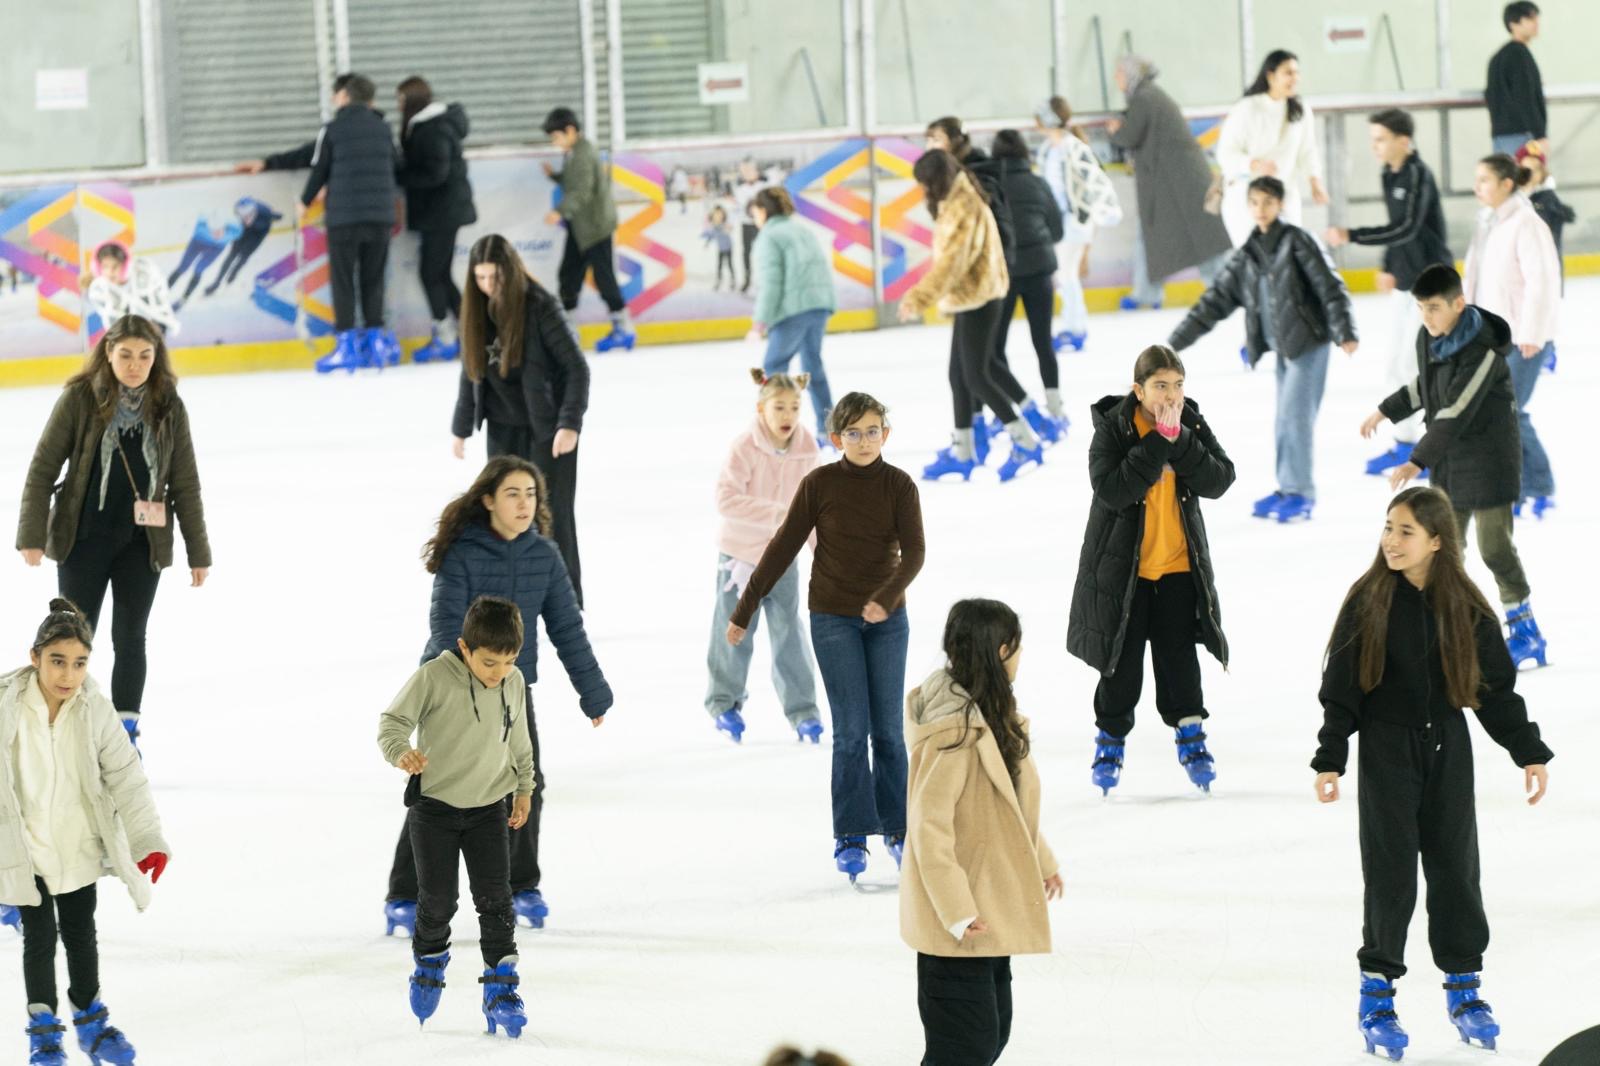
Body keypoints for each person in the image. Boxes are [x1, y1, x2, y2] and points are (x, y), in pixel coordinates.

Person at [1312, 486, 1551, 1060]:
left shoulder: (1464, 607)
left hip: (1448, 747)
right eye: (1388, 529)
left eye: (1406, 532)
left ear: (1437, 542)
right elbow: (1341, 687)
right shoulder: (1368, 600)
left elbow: (1493, 689)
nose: (1391, 541)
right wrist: (1331, 755)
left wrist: (1529, 750)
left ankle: (1465, 989)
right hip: (1388, 750)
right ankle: (1378, 994)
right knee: (1391, 873)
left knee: (1456, 868)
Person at [383, 458, 611, 939]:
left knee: (525, 782)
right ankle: (404, 893)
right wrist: (464, 679)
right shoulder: (463, 553)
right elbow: (445, 623)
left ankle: (522, 884)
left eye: (530, 493)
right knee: (437, 788)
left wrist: (592, 691)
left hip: (510, 685)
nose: (524, 502)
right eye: (512, 493)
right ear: (488, 499)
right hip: (450, 686)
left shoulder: (545, 555)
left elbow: (567, 627)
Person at [726, 393, 924, 883]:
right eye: (852, 433)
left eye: (872, 430)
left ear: (886, 434)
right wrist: (744, 609)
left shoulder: (899, 486)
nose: (863, 440)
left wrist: (886, 597)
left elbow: (916, 553)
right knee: (852, 731)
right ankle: (852, 833)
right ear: (836, 439)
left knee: (889, 733)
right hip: (833, 618)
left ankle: (897, 828)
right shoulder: (819, 484)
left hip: (888, 621)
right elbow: (781, 548)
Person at [16, 314, 212, 747]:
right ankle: (58, 726)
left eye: (145, 355)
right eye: (125, 355)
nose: (135, 364)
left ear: (156, 358)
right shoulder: (80, 398)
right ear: (108, 353)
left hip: (142, 546)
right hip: (82, 539)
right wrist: (31, 533)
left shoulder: (169, 405)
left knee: (130, 637)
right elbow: (43, 467)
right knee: (69, 636)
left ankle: (125, 734)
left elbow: (185, 483)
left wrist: (199, 552)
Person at [2, 599, 170, 1066]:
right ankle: (44, 1032)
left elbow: (126, 776)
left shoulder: (95, 709)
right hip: (26, 849)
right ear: (34, 657)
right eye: (57, 661)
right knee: (38, 940)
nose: (68, 675)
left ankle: (91, 1021)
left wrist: (146, 839)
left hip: (77, 845)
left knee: (81, 935)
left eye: (79, 663)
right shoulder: (4, 706)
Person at [1358, 264, 1548, 669]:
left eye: (1434, 308)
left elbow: (1456, 411)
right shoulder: (1429, 339)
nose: (1427, 317)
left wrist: (1416, 459)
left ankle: (1525, 630)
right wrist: (1384, 411)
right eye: (1422, 308)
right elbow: (1424, 388)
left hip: (1488, 461)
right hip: (1449, 461)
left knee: (1494, 547)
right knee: (1443, 549)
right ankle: (1444, 634)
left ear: (1458, 304)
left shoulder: (1484, 352)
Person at [901, 598, 1063, 1066]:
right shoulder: (953, 732)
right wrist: (954, 910)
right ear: (1003, 649)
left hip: (987, 908)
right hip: (960, 922)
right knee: (964, 1049)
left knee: (991, 1037)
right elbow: (929, 829)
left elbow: (1008, 808)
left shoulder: (993, 713)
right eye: (1018, 647)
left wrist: (1043, 862)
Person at [1067, 344, 1234, 796]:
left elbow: (1220, 479)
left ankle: (1191, 735)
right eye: (1161, 386)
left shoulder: (1190, 423)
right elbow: (1113, 490)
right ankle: (1110, 739)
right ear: (1138, 390)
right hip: (1124, 576)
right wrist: (1159, 440)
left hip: (1179, 569)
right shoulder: (1114, 429)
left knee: (1179, 660)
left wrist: (1179, 440)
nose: (1171, 396)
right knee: (1120, 667)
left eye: (1178, 386)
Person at [378, 595, 535, 1036]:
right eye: (489, 663)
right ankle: (429, 962)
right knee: (439, 901)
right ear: (465, 648)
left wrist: (524, 788)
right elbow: (391, 723)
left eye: (508, 662)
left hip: (489, 808)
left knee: (496, 901)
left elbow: (519, 740)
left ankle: (500, 989)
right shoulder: (433, 677)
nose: (498, 673)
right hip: (435, 811)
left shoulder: (514, 682)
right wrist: (402, 753)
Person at [1168, 176, 1358, 523]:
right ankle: (1288, 488)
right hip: (1283, 348)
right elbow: (1213, 302)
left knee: (1296, 419)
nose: (1261, 209)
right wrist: (1172, 346)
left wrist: (1345, 329)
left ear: (1281, 204)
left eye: (1268, 202)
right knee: (1284, 420)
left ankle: (1301, 493)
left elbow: (1331, 287)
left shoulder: (1299, 241)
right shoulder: (1249, 255)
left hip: (1309, 344)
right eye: (1254, 202)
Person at [452, 234, 590, 608]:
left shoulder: (540, 306)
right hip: (502, 429)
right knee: (501, 516)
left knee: (551, 518)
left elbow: (576, 368)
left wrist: (569, 424)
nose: (487, 286)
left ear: (510, 271)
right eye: (480, 278)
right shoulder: (477, 311)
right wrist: (461, 429)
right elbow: (472, 372)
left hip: (548, 431)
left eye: (494, 277)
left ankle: (567, 603)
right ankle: (507, 603)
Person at [241, 74, 403, 373]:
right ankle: (375, 343)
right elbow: (396, 166)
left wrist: (304, 201)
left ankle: (346, 346)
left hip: (345, 217)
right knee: (373, 278)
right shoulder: (383, 128)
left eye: (335, 94)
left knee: (343, 280)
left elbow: (319, 168)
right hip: (380, 216)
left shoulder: (333, 129)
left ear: (344, 96)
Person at [901, 150, 1045, 486]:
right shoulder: (956, 198)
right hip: (972, 295)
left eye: (924, 184)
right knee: (958, 375)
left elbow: (953, 263)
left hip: (979, 297)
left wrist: (918, 297)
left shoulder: (962, 206)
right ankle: (964, 451)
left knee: (977, 376)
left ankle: (1025, 442)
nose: (923, 191)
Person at [1325, 109, 1453, 476]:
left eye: (1380, 139)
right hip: (1406, 282)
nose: (1375, 147)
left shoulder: (1417, 175)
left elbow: (1407, 228)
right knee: (1395, 365)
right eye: (1373, 139)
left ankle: (1429, 451)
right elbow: (1398, 233)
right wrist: (1387, 265)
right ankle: (1405, 443)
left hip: (1431, 284)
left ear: (1403, 140)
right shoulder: (1389, 174)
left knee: (1417, 367)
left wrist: (1353, 236)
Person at [924, 117, 1056, 454]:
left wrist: (927, 292)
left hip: (986, 282)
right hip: (986, 280)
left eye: (936, 138)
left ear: (955, 140)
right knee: (977, 366)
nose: (930, 145)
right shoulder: (957, 177)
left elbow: (989, 233)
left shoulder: (974, 176)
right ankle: (980, 436)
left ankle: (1020, 432)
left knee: (978, 367)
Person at [705, 370, 823, 744]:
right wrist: (777, 515)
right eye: (779, 407)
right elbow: (725, 498)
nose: (788, 415)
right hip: (739, 557)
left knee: (789, 631)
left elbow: (814, 508)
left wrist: (824, 556)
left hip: (782, 558)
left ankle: (803, 711)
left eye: (795, 407)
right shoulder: (745, 447)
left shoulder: (808, 449)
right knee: (734, 629)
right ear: (761, 409)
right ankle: (724, 703)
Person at [1465, 153, 1560, 522]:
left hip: (1525, 337)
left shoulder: (1527, 223)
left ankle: (1534, 484)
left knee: (1509, 412)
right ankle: (1523, 484)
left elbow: (1542, 282)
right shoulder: (1487, 222)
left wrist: (1533, 332)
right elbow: (1474, 277)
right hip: (1493, 336)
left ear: (1507, 184)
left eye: (1485, 180)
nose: (1478, 187)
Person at [1107, 56, 1233, 310]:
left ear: (1133, 75)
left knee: (1202, 241)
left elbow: (1129, 135)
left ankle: (1223, 292)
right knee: (1156, 235)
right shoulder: (1149, 96)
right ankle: (1148, 292)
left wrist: (1114, 131)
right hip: (1175, 182)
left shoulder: (1144, 98)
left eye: (1120, 73)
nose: (1116, 79)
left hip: (1180, 183)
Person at [989, 130, 1070, 429]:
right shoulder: (1038, 184)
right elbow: (1058, 230)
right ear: (1025, 154)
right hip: (1039, 272)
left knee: (995, 347)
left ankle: (1008, 408)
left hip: (1005, 274)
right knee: (1043, 342)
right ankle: (1055, 406)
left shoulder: (992, 186)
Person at [745, 186, 838, 440]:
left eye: (755, 213)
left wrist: (759, 323)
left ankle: (773, 432)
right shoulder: (802, 230)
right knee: (813, 367)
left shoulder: (769, 237)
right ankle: (827, 429)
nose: (755, 219)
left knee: (774, 368)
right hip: (818, 306)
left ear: (763, 211)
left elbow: (771, 284)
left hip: (793, 310)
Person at [396, 76, 477, 364]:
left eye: (402, 100)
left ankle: (445, 336)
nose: (399, 106)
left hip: (441, 212)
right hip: (443, 211)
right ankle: (473, 334)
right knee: (440, 274)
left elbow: (435, 173)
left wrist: (401, 177)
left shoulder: (432, 128)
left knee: (431, 274)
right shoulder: (431, 125)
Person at [540, 106, 634, 353]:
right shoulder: (574, 151)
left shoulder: (582, 153)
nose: (555, 142)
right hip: (581, 227)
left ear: (570, 130)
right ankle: (569, 331)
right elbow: (575, 181)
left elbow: (581, 191)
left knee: (604, 278)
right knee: (568, 276)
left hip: (595, 227)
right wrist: (556, 177)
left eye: (556, 137)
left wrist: (558, 211)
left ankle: (623, 328)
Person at [1034, 96, 1121, 353]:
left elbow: (1095, 181)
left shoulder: (1073, 147)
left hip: (1074, 221)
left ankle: (1076, 328)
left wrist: (1102, 210)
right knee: (1064, 275)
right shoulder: (1049, 149)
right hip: (1057, 221)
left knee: (1066, 274)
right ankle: (1074, 326)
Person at [1215, 50, 1328, 248]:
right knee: (1253, 258)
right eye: (1288, 73)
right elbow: (1225, 154)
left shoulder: (1300, 110)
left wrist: (1314, 181)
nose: (1295, 78)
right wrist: (1254, 164)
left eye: (1296, 73)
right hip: (1247, 199)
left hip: (1284, 195)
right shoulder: (1246, 109)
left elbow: (1308, 150)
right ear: (1270, 76)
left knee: (1289, 253)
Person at [1515, 139, 1573, 378]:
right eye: (1525, 168)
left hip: (1545, 271)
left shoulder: (1547, 200)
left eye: (1535, 169)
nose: (1530, 174)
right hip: (1522, 270)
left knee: (1544, 310)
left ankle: (1547, 350)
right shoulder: (1515, 198)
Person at [1485, 2, 1546, 156]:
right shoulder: (1519, 56)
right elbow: (1525, 97)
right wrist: (1539, 134)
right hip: (1523, 135)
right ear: (1513, 24)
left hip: (1500, 135)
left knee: (1506, 177)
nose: (1536, 23)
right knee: (1526, 178)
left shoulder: (1498, 57)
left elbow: (1490, 95)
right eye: (1530, 19)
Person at [82, 241, 179, 336]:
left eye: (115, 266)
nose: (110, 271)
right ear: (98, 268)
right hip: (128, 332)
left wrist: (158, 324)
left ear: (125, 266)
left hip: (154, 326)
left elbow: (159, 302)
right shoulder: (98, 290)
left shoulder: (143, 276)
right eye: (105, 267)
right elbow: (113, 322)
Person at [203, 198, 283, 296]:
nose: (246, 219)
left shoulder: (265, 212)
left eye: (248, 216)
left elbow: (278, 216)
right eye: (243, 217)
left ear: (254, 212)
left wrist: (276, 216)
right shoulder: (240, 214)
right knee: (231, 255)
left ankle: (235, 271)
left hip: (258, 234)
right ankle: (216, 283)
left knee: (244, 255)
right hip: (245, 231)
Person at [167, 210, 241, 307]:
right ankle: (163, 290)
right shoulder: (201, 230)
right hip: (198, 243)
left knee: (199, 270)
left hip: (215, 249)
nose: (216, 234)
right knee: (183, 267)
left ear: (225, 227)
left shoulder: (235, 230)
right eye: (213, 231)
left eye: (219, 231)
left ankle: (184, 298)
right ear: (208, 228)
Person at [732, 159, 768, 293]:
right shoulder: (739, 190)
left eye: (750, 170)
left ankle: (767, 279)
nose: (748, 173)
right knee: (746, 252)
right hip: (746, 224)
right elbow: (737, 208)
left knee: (766, 252)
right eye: (745, 171)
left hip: (762, 225)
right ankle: (747, 279)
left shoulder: (764, 186)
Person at [703, 205, 736, 290]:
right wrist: (707, 243)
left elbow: (730, 229)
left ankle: (732, 280)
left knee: (729, 264)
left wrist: (727, 228)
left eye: (719, 214)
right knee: (719, 265)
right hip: (721, 248)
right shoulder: (714, 226)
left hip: (728, 247)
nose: (718, 216)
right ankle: (719, 280)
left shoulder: (724, 224)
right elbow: (711, 235)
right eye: (716, 215)